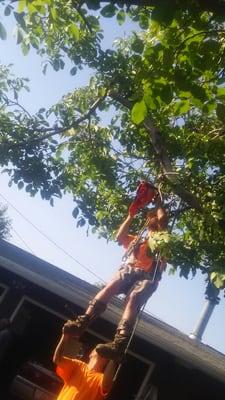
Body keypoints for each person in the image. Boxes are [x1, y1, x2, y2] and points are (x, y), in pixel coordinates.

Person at [64, 197, 168, 360]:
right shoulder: (138, 239)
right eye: (149, 216)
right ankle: (82, 322)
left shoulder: (161, 240)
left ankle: (119, 343)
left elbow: (162, 220)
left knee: (133, 299)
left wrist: (159, 204)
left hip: (147, 276)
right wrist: (131, 215)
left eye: (152, 216)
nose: (151, 218)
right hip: (129, 270)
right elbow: (120, 237)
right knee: (111, 284)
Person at [53, 329, 117, 400]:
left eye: (106, 352)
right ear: (91, 353)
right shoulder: (78, 365)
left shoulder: (102, 378)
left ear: (107, 360)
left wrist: (113, 358)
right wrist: (65, 335)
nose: (102, 352)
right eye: (100, 349)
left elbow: (106, 385)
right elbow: (57, 359)